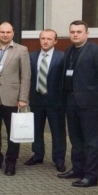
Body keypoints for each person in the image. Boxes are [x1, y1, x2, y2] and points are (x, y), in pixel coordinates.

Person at [58, 21, 98, 188]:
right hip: (71, 101)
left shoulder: (97, 50)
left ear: (87, 33)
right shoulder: (69, 50)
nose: (75, 34)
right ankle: (77, 169)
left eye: (79, 32)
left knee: (91, 140)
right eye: (72, 32)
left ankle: (91, 176)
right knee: (75, 139)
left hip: (90, 102)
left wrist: (97, 94)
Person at [0, 21, 31, 176]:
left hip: (13, 98)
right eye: (2, 32)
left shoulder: (21, 50)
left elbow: (26, 76)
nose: (5, 35)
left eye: (8, 32)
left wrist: (23, 98)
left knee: (13, 132)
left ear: (13, 33)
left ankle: (11, 162)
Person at [26, 29, 67, 172]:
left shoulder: (62, 57)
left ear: (55, 41)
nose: (45, 41)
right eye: (43, 38)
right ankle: (37, 154)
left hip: (56, 100)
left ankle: (59, 159)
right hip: (36, 98)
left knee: (58, 130)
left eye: (49, 39)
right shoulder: (32, 56)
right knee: (36, 129)